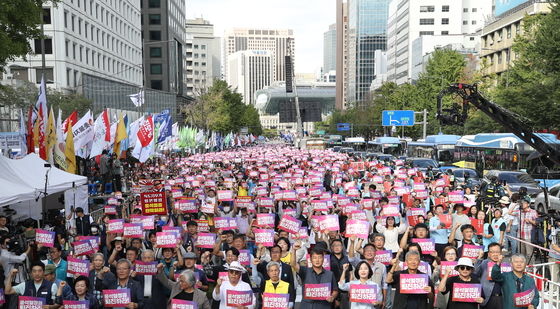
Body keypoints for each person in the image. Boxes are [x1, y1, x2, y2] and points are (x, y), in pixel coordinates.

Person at [291, 243, 338, 309]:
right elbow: (293, 265)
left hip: (324, 305)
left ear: (323, 259)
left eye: (319, 257)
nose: (317, 260)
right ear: (310, 259)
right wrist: (294, 250)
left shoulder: (330, 274)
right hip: (307, 306)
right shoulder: (305, 271)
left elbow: (335, 290)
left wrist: (332, 297)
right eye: (315, 258)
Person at [473, 243, 504, 309]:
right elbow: (475, 273)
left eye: (497, 252)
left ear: (501, 253)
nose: (495, 254)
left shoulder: (505, 265)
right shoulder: (484, 263)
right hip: (487, 298)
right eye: (492, 252)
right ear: (489, 254)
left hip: (501, 298)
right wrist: (479, 258)